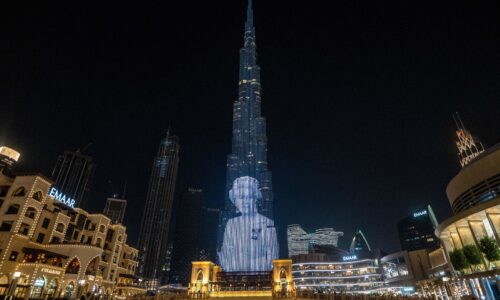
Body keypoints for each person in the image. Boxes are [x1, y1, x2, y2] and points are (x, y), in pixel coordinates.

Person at [218, 176, 279, 271]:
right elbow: (225, 253)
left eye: (249, 197)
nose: (245, 202)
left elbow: (273, 256)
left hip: (260, 276)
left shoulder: (267, 223)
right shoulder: (231, 224)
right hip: (234, 277)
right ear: (235, 201)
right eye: (241, 197)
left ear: (256, 199)